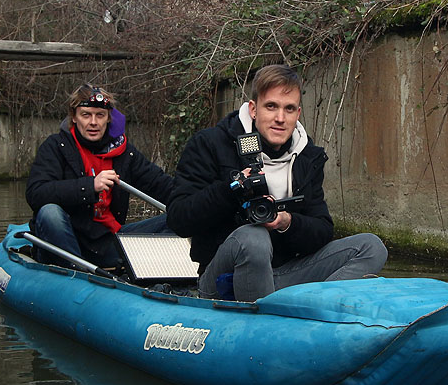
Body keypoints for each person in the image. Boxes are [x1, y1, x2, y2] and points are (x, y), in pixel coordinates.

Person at [167, 64, 387, 301]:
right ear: (253, 109)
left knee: (371, 247)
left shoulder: (307, 156)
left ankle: (312, 308)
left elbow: (323, 230)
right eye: (271, 106)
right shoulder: (210, 144)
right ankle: (264, 320)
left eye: (289, 109)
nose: (280, 118)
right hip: (223, 280)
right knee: (253, 236)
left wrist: (287, 222)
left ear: (298, 113)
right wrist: (232, 189)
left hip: (283, 275)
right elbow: (179, 219)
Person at [26, 84, 175, 268]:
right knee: (49, 213)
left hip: (108, 241)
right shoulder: (55, 147)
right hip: (67, 240)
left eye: (100, 115)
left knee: (176, 217)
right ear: (74, 117)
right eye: (86, 115)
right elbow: (36, 193)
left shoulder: (124, 152)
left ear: (108, 118)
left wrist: (198, 200)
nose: (93, 122)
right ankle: (78, 274)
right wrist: (90, 186)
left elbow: (161, 185)